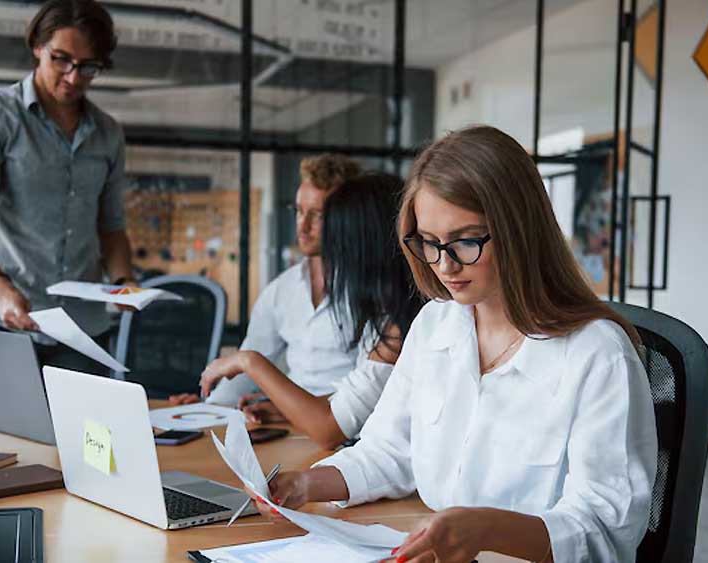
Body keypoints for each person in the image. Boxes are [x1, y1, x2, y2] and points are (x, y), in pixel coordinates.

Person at [248, 126, 658, 563]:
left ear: (520, 230)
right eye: (429, 242)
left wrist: (486, 529)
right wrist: (306, 484)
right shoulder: (435, 325)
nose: (444, 265)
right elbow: (390, 448)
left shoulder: (597, 354)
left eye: (465, 240)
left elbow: (603, 531)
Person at [0, 0, 134, 372]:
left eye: (88, 67)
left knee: (87, 433)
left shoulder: (108, 134)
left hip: (81, 332)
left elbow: (111, 228)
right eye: (60, 59)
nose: (73, 76)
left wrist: (124, 281)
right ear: (37, 47)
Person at [198, 173, 424, 449]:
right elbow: (353, 401)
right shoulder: (390, 316)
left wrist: (249, 361)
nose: (333, 264)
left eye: (338, 248)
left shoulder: (403, 326)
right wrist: (289, 409)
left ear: (364, 251)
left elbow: (329, 430)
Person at [169, 155, 362, 419]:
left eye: (317, 215)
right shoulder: (282, 290)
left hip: (349, 428)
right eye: (299, 211)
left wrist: (285, 409)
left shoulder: (371, 289)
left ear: (346, 217)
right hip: (292, 425)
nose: (302, 226)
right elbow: (250, 364)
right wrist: (208, 408)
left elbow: (372, 391)